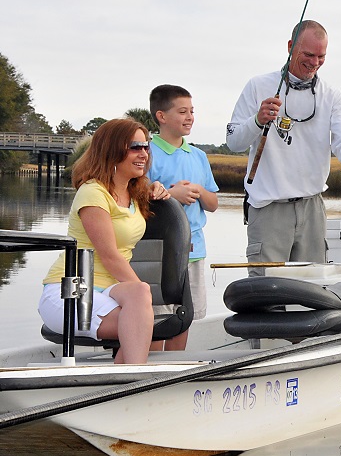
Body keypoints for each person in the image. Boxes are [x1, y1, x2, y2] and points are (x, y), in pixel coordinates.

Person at [226, 20, 341, 276]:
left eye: (321, 56)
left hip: (312, 208)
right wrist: (257, 120)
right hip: (268, 207)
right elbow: (233, 141)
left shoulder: (332, 96)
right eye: (308, 54)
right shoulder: (257, 86)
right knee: (266, 289)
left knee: (311, 288)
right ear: (290, 47)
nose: (314, 62)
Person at [37, 119, 171, 364]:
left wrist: (157, 188)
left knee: (140, 309)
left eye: (146, 147)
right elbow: (109, 256)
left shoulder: (135, 193)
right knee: (141, 322)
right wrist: (145, 305)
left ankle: (127, 378)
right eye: (135, 147)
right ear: (111, 150)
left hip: (110, 290)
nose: (144, 153)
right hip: (72, 290)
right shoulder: (93, 192)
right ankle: (134, 379)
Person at [148, 84, 219, 350]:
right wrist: (172, 194)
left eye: (192, 111)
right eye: (182, 112)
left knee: (183, 317)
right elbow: (134, 198)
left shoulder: (198, 156)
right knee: (156, 319)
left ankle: (176, 366)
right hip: (159, 253)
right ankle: (151, 368)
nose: (190, 117)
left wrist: (199, 190)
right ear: (161, 116)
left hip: (194, 250)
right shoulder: (147, 153)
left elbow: (213, 204)